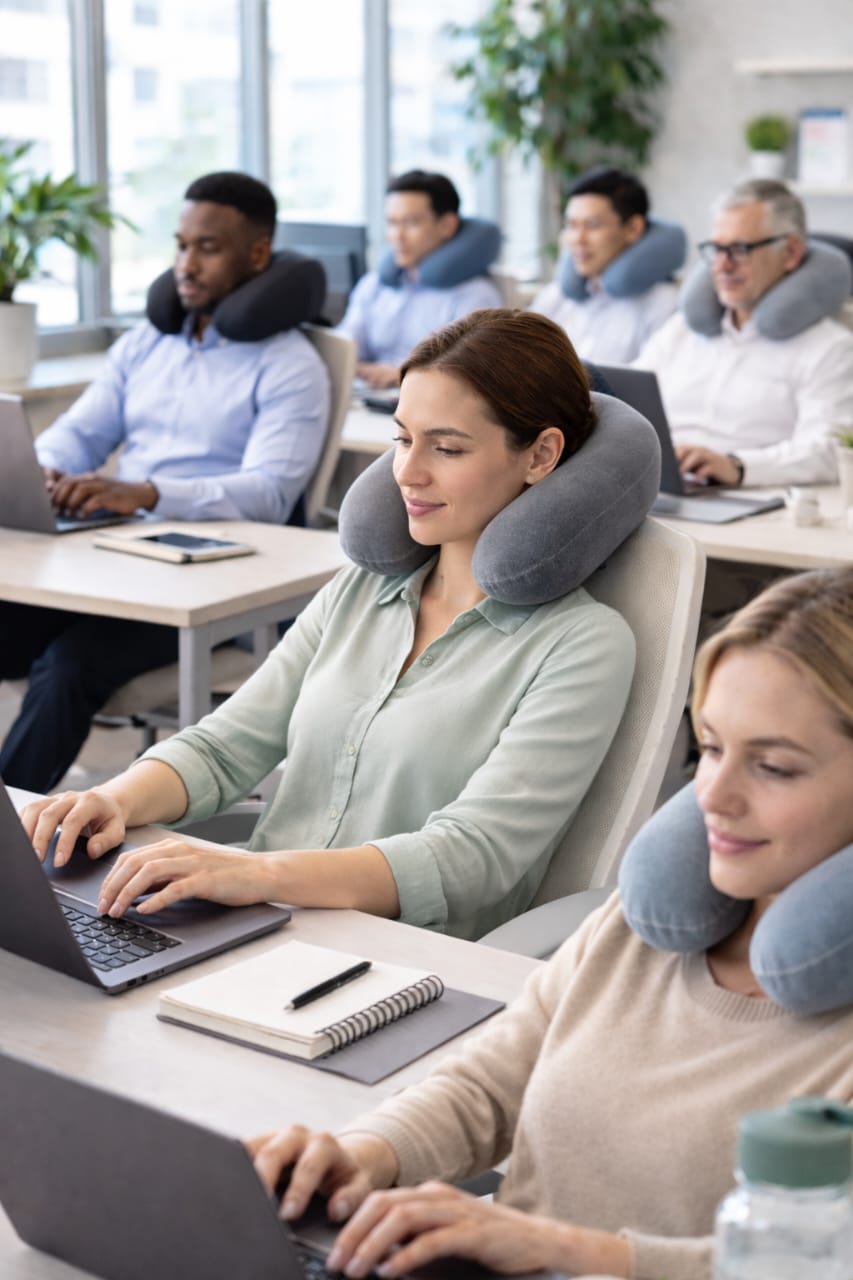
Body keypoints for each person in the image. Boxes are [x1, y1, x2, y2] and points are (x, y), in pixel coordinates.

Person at [244, 566, 853, 1280]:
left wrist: (582, 1254)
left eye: (773, 767)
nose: (712, 798)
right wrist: (361, 1155)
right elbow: (487, 1086)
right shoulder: (648, 922)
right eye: (710, 748)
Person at [21, 310, 635, 942]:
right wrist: (115, 799)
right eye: (402, 439)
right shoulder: (360, 590)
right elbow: (225, 746)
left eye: (446, 448)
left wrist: (258, 874)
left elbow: (472, 856)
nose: (408, 472)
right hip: (258, 925)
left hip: (406, 962)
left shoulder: (583, 644)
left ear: (540, 454)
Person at [0, 170, 330, 794]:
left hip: (208, 582)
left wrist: (149, 492)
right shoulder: (146, 341)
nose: (186, 263)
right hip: (110, 559)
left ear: (258, 254)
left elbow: (269, 492)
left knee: (69, 665)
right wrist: (43, 465)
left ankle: (10, 849)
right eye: (181, 245)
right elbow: (81, 432)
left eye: (208, 247)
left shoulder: (291, 366)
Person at [635, 179, 853, 489]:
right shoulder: (681, 330)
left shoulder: (830, 348)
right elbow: (625, 400)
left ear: (790, 252)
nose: (722, 265)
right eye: (716, 249)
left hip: (749, 498)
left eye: (739, 249)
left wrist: (736, 465)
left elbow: (829, 450)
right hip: (657, 488)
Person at [338, 170, 501, 389]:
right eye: (392, 223)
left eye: (411, 223)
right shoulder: (374, 285)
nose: (397, 236)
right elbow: (347, 344)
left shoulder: (476, 296)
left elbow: (474, 376)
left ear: (447, 226)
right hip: (368, 398)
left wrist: (402, 375)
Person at [529, 166, 680, 363]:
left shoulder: (663, 304)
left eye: (592, 225)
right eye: (571, 226)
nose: (577, 239)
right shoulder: (557, 295)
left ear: (633, 229)